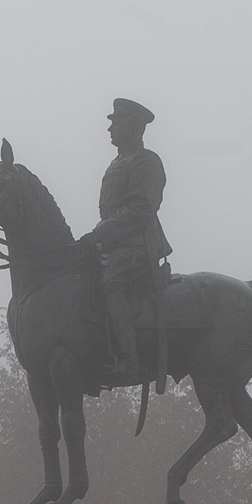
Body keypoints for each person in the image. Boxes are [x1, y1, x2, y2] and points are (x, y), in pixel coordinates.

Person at [82, 98, 170, 387]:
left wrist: (100, 235)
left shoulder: (146, 161)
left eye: (115, 122)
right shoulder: (117, 163)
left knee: (111, 284)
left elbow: (140, 210)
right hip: (114, 245)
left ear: (134, 127)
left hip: (138, 247)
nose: (109, 128)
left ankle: (131, 363)